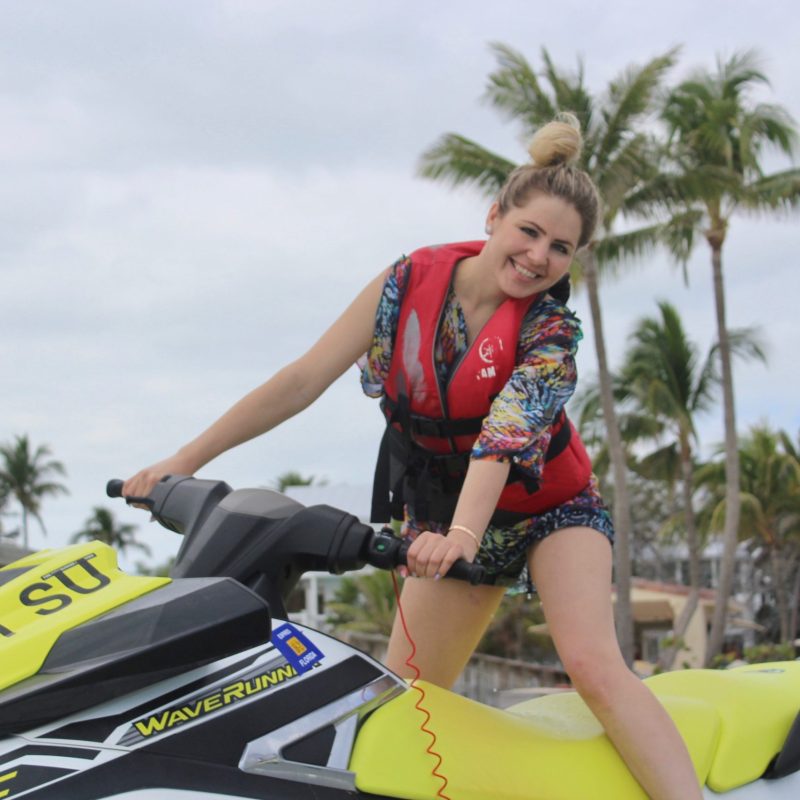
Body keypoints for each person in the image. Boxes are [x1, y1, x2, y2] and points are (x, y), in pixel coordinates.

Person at [123, 116, 703, 799]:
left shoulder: (550, 332)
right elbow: (303, 379)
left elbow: (502, 439)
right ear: (494, 216)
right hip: (440, 521)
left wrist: (463, 534)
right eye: (529, 231)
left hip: (548, 510)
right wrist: (183, 459)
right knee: (404, 698)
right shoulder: (407, 284)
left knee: (592, 664)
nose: (539, 255)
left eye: (561, 247)